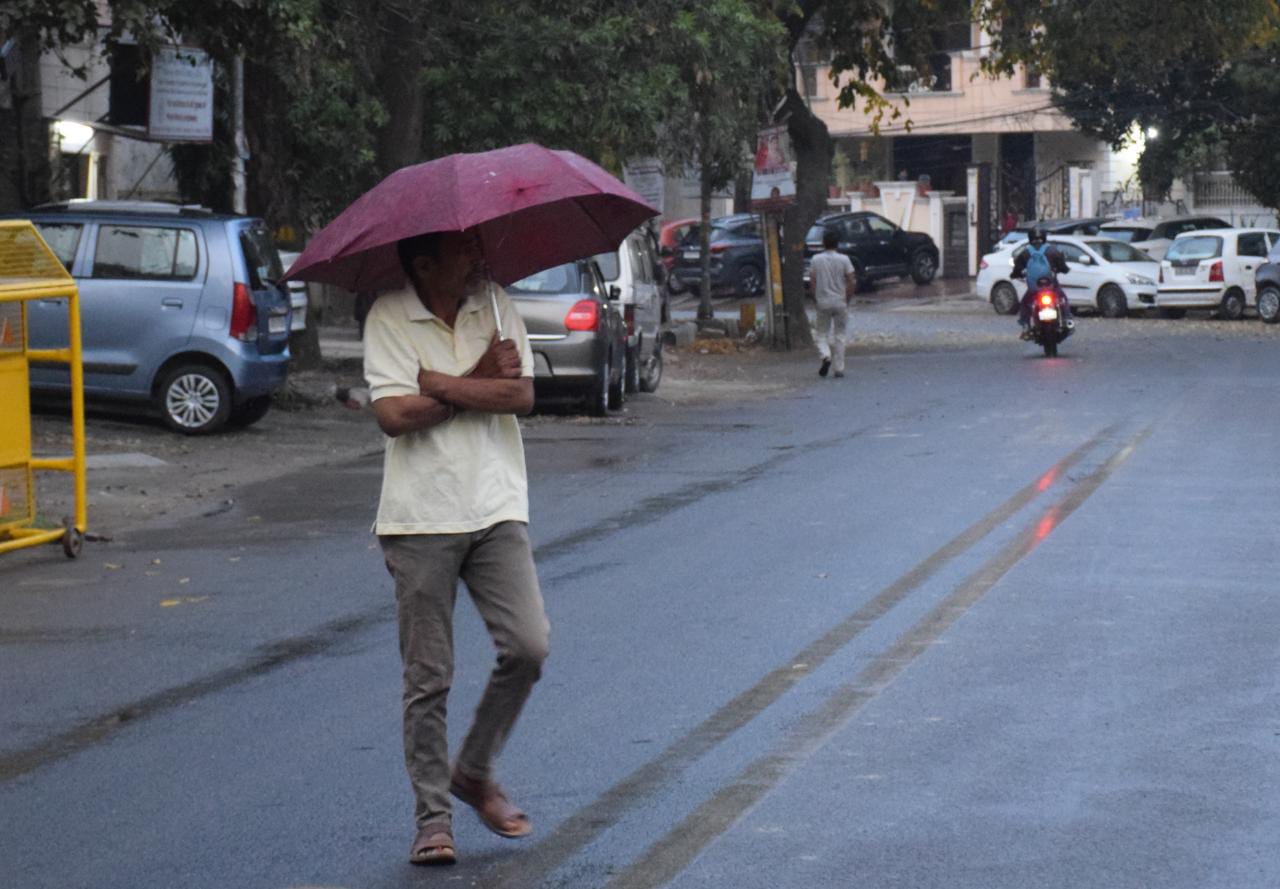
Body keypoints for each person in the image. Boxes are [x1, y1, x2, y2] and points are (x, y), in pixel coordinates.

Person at [362, 229, 550, 867]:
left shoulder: (495, 304)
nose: (476, 259)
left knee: (528, 647)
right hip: (419, 517)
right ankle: (433, 820)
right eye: (461, 252)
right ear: (422, 263)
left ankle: (472, 769)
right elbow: (393, 416)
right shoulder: (389, 314)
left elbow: (520, 396)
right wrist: (472, 380)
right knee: (429, 676)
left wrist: (437, 384)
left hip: (496, 506)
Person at [808, 227, 857, 378]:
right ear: (838, 243)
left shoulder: (816, 259)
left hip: (823, 301)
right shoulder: (844, 259)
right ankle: (839, 368)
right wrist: (847, 298)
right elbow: (851, 280)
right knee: (840, 335)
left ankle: (825, 355)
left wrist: (815, 298)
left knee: (821, 333)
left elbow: (813, 281)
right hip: (840, 301)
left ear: (823, 243)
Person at [1011, 225, 1073, 337]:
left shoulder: (1025, 253)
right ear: (1044, 237)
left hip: (1034, 288)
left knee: (1025, 303)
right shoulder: (1052, 250)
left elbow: (1017, 269)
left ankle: (1025, 326)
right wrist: (1064, 269)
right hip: (1052, 286)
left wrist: (1015, 274)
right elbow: (1063, 267)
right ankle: (1068, 320)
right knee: (1062, 299)